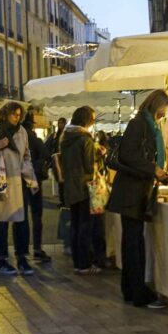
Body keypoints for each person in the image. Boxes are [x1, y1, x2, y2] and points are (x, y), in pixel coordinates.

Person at [106, 90, 168, 309]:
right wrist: (154, 168)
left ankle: (131, 290)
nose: (164, 115)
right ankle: (138, 293)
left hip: (137, 190)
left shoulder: (149, 125)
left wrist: (159, 173)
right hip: (130, 190)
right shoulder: (139, 125)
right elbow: (128, 154)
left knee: (133, 241)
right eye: (163, 111)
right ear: (156, 106)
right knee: (134, 243)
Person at [0, 102, 38, 277]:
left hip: (18, 182)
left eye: (19, 115)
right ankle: (1, 260)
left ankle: (22, 257)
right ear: (6, 114)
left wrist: (31, 179)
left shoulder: (22, 131)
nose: (17, 117)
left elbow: (26, 155)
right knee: (1, 223)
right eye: (14, 114)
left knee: (21, 222)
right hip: (1, 180)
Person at [60, 106, 98, 274]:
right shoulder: (85, 139)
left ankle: (78, 262)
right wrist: (99, 154)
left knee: (75, 225)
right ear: (87, 120)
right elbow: (89, 166)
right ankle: (84, 263)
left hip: (70, 186)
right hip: (84, 186)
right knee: (85, 226)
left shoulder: (66, 138)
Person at [22, 110, 51, 263]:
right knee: (36, 215)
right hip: (35, 180)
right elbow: (47, 154)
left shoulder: (18, 137)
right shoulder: (34, 138)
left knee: (23, 216)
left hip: (21, 180)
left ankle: (23, 248)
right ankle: (37, 248)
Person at [92, 131, 110, 268]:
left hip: (91, 188)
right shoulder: (92, 148)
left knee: (94, 223)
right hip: (95, 188)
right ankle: (99, 256)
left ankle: (95, 255)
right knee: (98, 224)